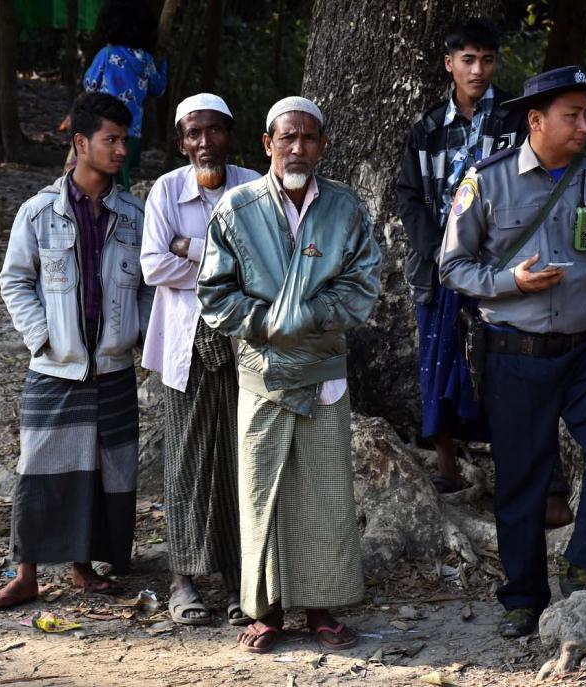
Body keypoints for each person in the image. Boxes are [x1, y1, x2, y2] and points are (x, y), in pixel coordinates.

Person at [439, 66, 586, 638]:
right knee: (521, 478)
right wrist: (511, 281)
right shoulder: (487, 182)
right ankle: (522, 599)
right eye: (573, 115)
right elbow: (452, 266)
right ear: (536, 121)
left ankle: (585, 561)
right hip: (514, 352)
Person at [197, 97, 381, 652]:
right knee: (263, 494)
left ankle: (321, 610)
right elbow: (214, 292)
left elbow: (362, 285)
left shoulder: (346, 209)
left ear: (322, 146)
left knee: (323, 495)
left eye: (308, 139)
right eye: (287, 138)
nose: (297, 148)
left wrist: (310, 314)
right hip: (263, 372)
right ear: (267, 144)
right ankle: (267, 611)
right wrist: (266, 323)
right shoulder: (237, 208)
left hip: (324, 374)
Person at [0, 92, 154, 610]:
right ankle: (26, 573)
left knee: (104, 468)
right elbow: (14, 282)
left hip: (112, 365)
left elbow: (150, 286)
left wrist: (132, 333)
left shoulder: (134, 215)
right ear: (81, 143)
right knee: (38, 466)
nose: (122, 149)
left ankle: (83, 569)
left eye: (125, 139)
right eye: (111, 139)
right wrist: (44, 338)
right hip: (55, 366)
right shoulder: (37, 213)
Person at [394, 18, 529, 493]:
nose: (478, 70)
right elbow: (408, 193)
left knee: (500, 364)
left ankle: (511, 470)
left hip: (497, 265)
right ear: (449, 64)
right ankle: (447, 467)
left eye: (487, 60)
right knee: (438, 360)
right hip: (437, 270)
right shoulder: (428, 128)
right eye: (467, 60)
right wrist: (433, 248)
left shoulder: (516, 123)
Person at [140, 93, 259, 627]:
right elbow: (152, 265)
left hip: (245, 344)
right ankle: (183, 580)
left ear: (229, 134)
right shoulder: (167, 189)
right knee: (187, 460)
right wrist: (219, 266)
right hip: (185, 345)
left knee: (240, 458)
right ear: (182, 141)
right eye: (193, 134)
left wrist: (191, 247)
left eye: (213, 131)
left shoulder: (254, 185)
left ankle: (239, 583)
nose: (203, 142)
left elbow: (265, 261)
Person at [76, 0, 167, 190]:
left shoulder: (107, 54)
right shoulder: (146, 59)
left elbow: (90, 84)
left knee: (108, 177)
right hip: (132, 131)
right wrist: (164, 66)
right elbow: (158, 89)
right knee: (120, 173)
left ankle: (119, 215)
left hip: (105, 130)